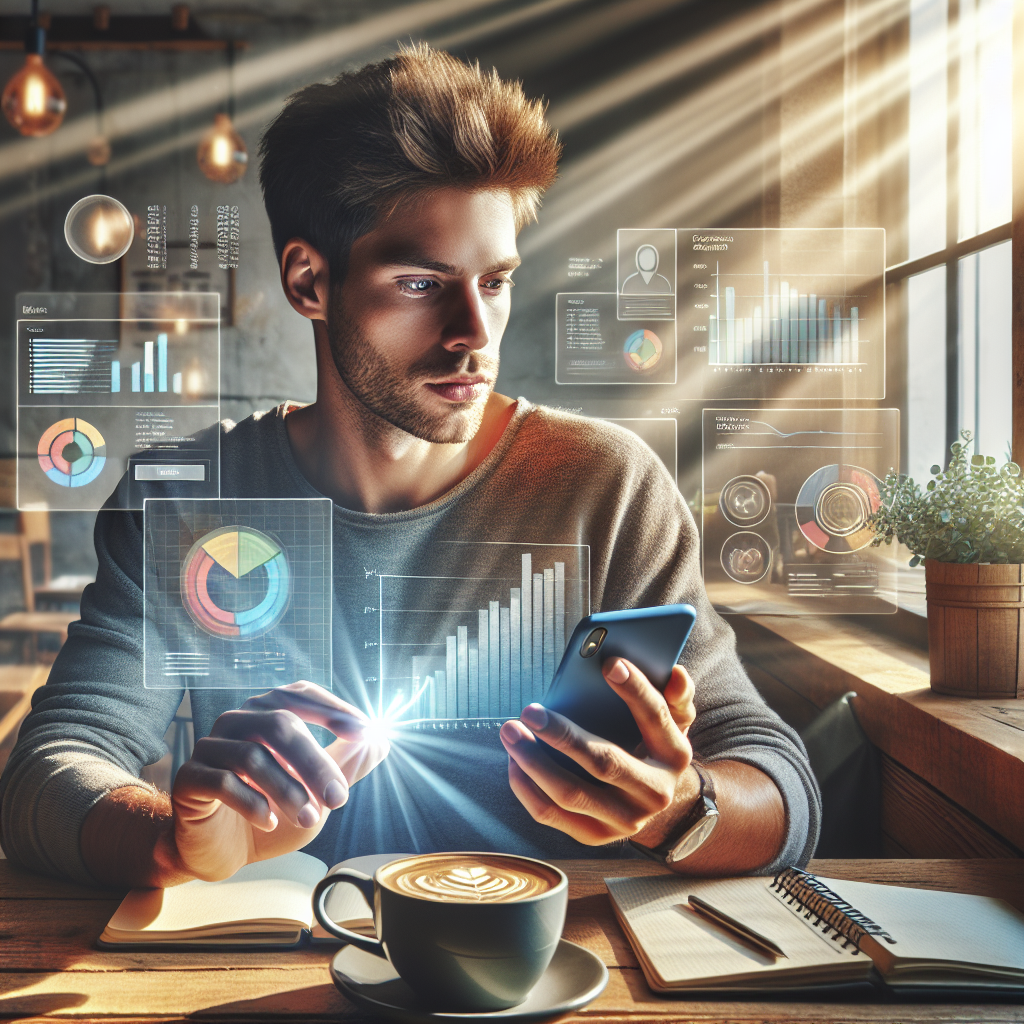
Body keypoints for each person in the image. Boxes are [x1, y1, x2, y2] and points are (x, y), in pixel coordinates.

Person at [0, 45, 819, 889]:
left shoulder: (607, 487)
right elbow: (51, 767)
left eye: (495, 281)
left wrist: (681, 807)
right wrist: (174, 842)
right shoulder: (181, 497)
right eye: (425, 283)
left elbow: (777, 783)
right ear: (310, 280)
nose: (475, 332)